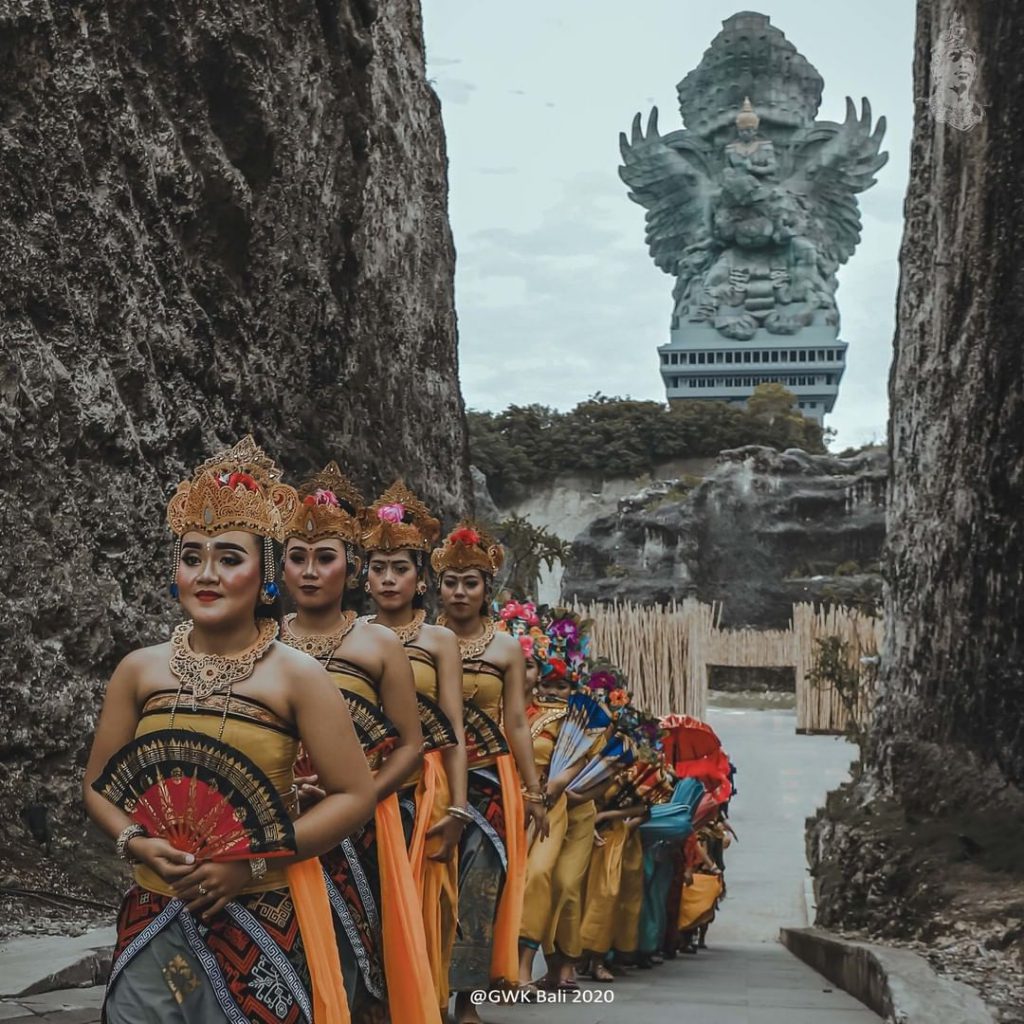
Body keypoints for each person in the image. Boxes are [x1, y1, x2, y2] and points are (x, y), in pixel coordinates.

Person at [83, 436, 376, 1024]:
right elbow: (96, 787)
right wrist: (137, 844)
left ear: (266, 572)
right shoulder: (140, 669)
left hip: (260, 912)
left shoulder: (297, 675)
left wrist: (251, 864)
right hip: (153, 910)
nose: (206, 574)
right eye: (192, 556)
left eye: (229, 557)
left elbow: (355, 794)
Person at [279, 461, 437, 1023]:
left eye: (325, 558)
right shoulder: (262, 645)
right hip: (280, 820)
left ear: (349, 567)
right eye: (297, 557)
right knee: (284, 957)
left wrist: (358, 797)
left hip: (362, 829)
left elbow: (410, 745)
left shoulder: (378, 646)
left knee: (357, 965)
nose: (310, 571)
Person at [361, 481, 468, 1014]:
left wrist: (457, 808)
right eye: (377, 566)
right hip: (357, 782)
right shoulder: (351, 635)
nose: (387, 578)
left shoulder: (439, 640)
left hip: (423, 786)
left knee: (424, 911)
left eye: (399, 567)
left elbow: (452, 728)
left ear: (420, 577)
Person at [433, 525, 547, 1024]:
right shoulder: (420, 640)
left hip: (489, 784)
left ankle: (466, 998)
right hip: (429, 781)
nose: (459, 591)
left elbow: (517, 723)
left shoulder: (504, 650)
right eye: (451, 581)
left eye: (470, 582)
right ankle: (426, 988)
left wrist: (534, 790)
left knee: (479, 891)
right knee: (432, 888)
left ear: (487, 590)